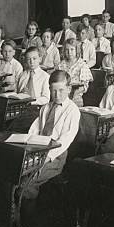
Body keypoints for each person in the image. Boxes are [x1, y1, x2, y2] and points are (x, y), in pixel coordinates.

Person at [22, 70, 80, 203]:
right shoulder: (45, 108)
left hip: (55, 156)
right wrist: (27, 145)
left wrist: (46, 158)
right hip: (37, 151)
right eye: (53, 90)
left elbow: (65, 140)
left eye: (61, 90)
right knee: (17, 173)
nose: (57, 95)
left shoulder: (72, 111)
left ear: (69, 89)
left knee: (27, 183)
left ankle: (26, 218)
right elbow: (35, 130)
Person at [57, 38, 93, 106]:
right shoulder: (61, 65)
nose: (69, 52)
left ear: (76, 50)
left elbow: (84, 86)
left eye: (72, 49)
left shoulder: (82, 65)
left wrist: (71, 94)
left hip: (76, 97)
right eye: (67, 50)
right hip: (61, 95)